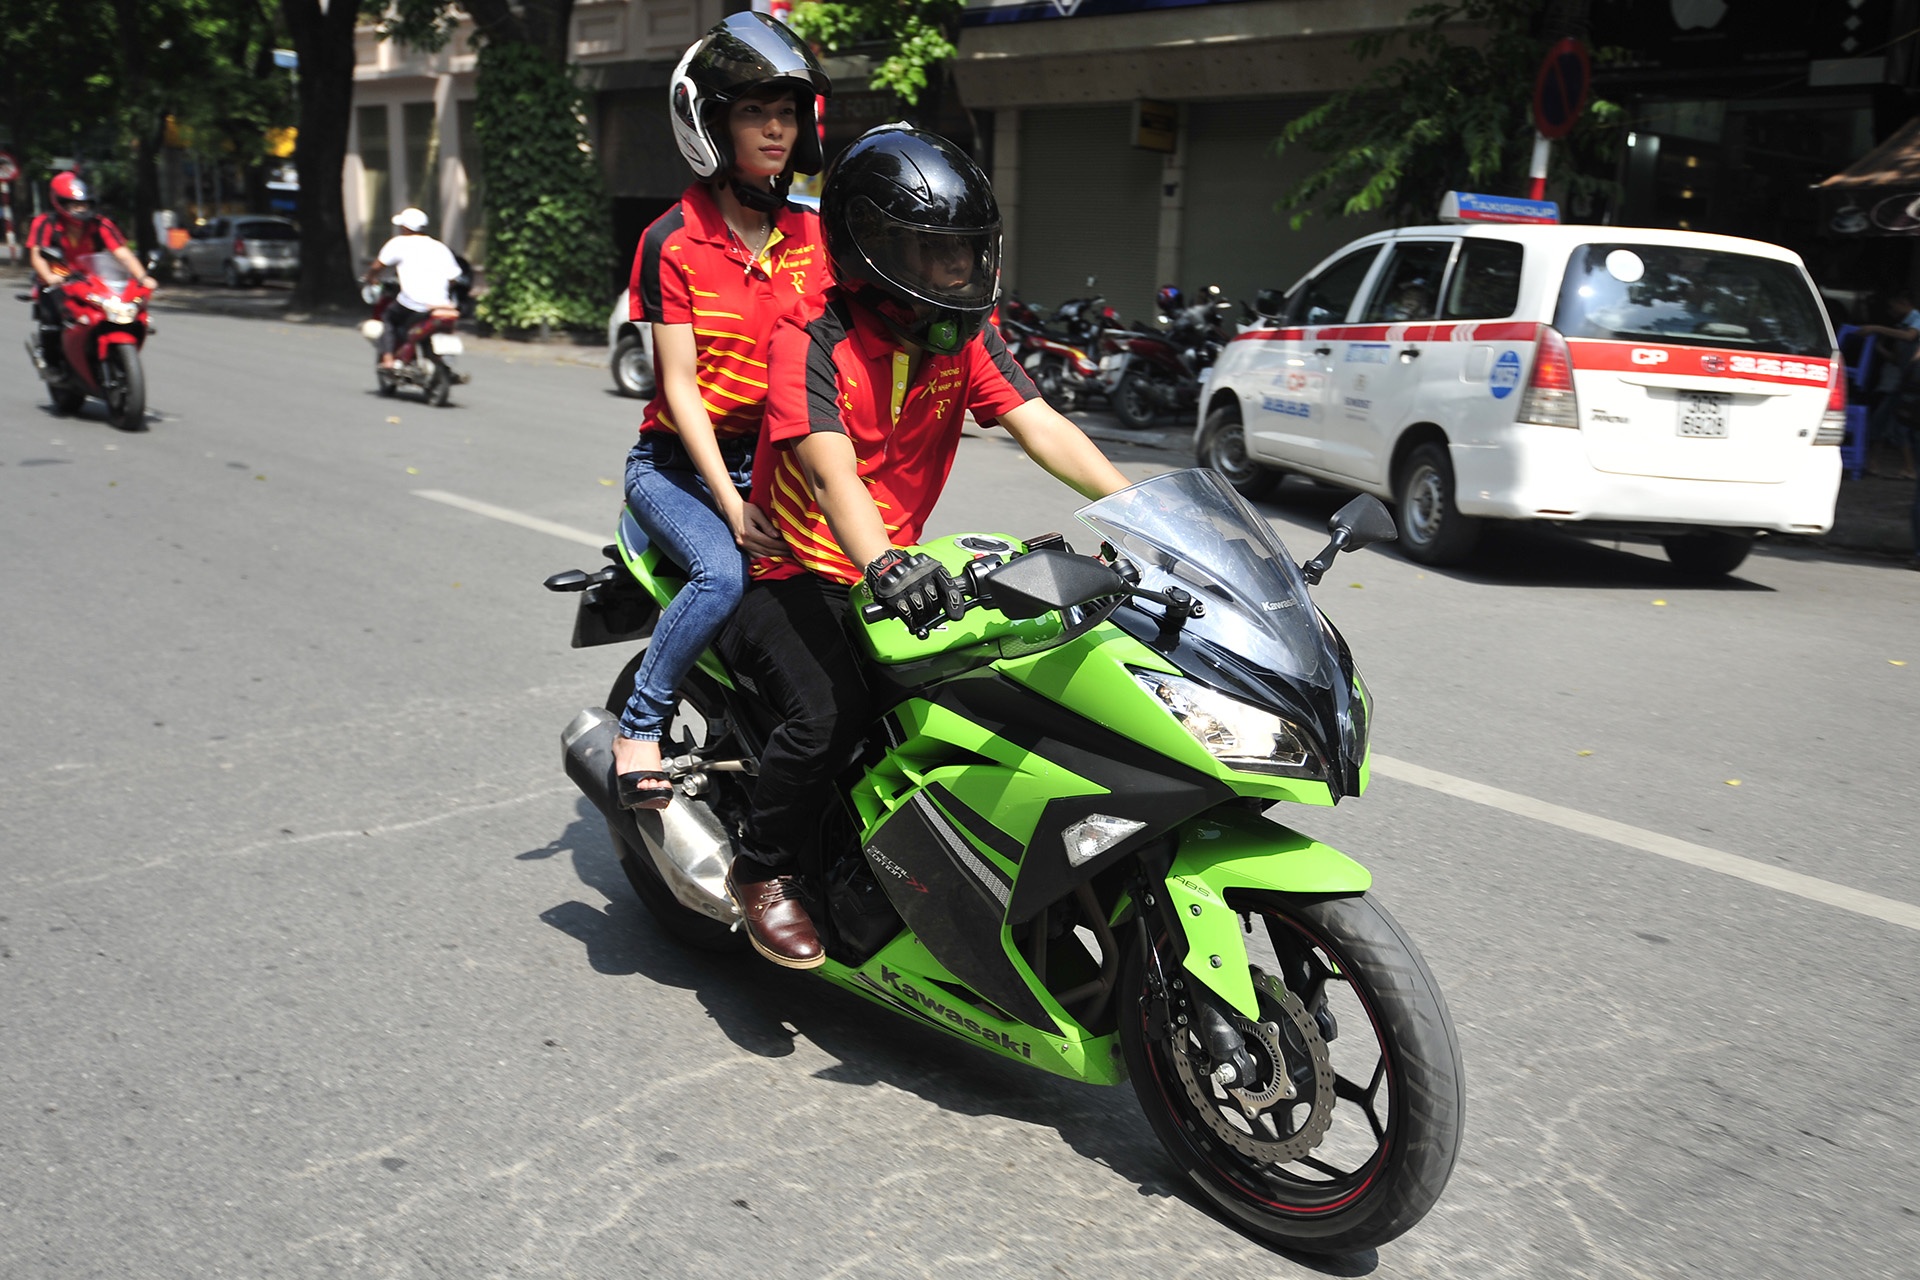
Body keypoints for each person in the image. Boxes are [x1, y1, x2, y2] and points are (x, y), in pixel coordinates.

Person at [717, 125, 1131, 968]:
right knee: (828, 713)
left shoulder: (962, 334)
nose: (958, 270)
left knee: (1003, 696)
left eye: (968, 251)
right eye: (935, 252)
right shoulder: (810, 337)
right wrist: (883, 561)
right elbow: (830, 472)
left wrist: (1141, 514)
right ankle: (762, 872)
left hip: (896, 570)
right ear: (871, 248)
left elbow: (1041, 425)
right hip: (798, 568)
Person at [608, 11, 834, 811]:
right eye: (753, 112)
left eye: (787, 112)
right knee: (721, 576)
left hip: (781, 462)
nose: (775, 129)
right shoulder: (671, 240)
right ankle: (639, 726)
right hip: (678, 468)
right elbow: (679, 387)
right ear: (711, 124)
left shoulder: (813, 234)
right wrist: (732, 505)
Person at [26, 172, 156, 363]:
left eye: (84, 204)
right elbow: (37, 256)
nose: (81, 209)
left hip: (92, 281)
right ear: (61, 203)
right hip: (59, 280)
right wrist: (49, 277)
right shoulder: (45, 222)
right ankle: (51, 363)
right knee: (52, 322)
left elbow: (122, 253)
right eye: (75, 205)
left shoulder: (101, 224)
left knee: (121, 312)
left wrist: (143, 277)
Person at [361, 208, 463, 370]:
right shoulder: (440, 247)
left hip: (413, 303)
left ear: (405, 227)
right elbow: (454, 278)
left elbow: (377, 266)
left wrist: (370, 278)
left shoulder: (398, 243)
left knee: (388, 317)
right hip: (440, 305)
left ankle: (388, 359)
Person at [1856, 290, 1920, 479]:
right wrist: (1879, 348)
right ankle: (1874, 463)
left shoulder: (1916, 320)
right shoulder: (1902, 325)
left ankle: (1909, 468)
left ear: (1903, 302)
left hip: (1911, 384)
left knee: (1900, 423)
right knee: (1883, 421)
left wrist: (1876, 328)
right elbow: (1897, 359)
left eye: (1893, 307)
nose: (1892, 311)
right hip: (1901, 383)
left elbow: (1909, 337)